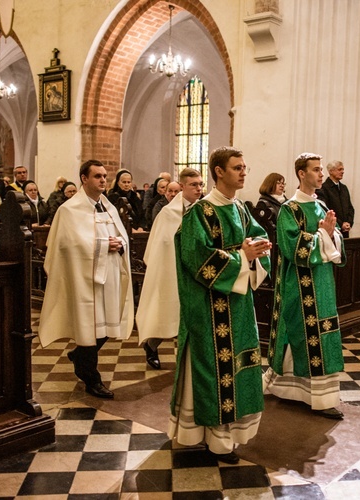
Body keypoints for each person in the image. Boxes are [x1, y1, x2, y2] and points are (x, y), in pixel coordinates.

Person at [169, 146, 271, 464]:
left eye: (244, 167)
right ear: (219, 171)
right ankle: (215, 438)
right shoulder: (200, 213)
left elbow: (257, 237)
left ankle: (230, 433)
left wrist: (257, 248)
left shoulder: (240, 209)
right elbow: (196, 257)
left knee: (239, 367)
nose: (243, 172)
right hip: (211, 311)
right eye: (237, 167)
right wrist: (243, 257)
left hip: (239, 305)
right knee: (215, 371)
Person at [38, 159, 134, 399]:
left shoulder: (108, 206)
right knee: (89, 326)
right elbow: (65, 246)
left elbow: (122, 237)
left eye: (104, 176)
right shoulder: (70, 209)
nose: (103, 180)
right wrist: (103, 244)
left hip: (108, 275)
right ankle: (90, 377)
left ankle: (80, 354)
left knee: (107, 325)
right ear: (84, 178)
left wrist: (119, 243)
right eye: (97, 176)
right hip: (85, 281)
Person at [263, 153, 346, 420]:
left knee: (324, 331)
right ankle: (293, 390)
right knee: (301, 331)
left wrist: (331, 233)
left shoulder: (320, 205)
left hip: (322, 282)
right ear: (301, 174)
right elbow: (290, 247)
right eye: (316, 170)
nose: (321, 175)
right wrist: (323, 234)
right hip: (300, 283)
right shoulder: (290, 208)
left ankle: (322, 395)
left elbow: (333, 240)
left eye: (322, 170)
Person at [136, 168, 203, 370]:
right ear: (182, 187)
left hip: (197, 272)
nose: (199, 189)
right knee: (166, 312)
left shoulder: (203, 211)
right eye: (193, 185)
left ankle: (193, 358)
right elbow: (158, 245)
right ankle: (152, 345)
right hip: (171, 271)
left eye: (200, 184)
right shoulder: (168, 213)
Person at [317, 160, 354, 238]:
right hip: (333, 231)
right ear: (331, 171)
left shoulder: (344, 188)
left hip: (345, 231)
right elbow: (325, 210)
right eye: (340, 169)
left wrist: (348, 223)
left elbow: (350, 208)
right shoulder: (323, 188)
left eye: (343, 169)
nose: (343, 172)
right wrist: (341, 224)